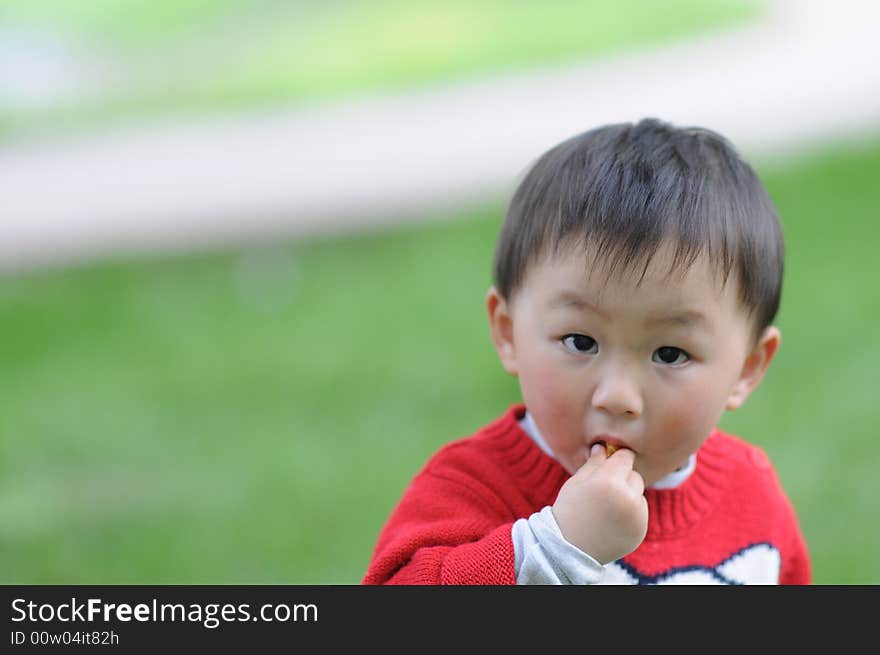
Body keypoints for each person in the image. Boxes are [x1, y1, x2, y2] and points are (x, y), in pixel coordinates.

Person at [362, 118, 811, 585]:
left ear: (748, 368)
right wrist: (555, 548)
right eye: (581, 342)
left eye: (670, 353)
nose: (616, 396)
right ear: (509, 332)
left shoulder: (752, 494)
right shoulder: (472, 488)